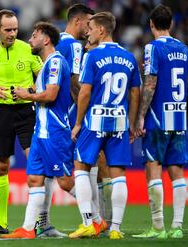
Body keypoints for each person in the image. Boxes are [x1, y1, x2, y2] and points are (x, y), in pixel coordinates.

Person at [70, 12, 140, 239]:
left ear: (101, 30)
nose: (87, 32)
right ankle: (116, 229)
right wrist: (131, 121)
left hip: (95, 120)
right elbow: (135, 91)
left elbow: (85, 93)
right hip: (119, 120)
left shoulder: (92, 56)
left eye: (90, 27)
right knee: (118, 173)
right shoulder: (128, 56)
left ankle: (89, 222)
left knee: (81, 167)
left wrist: (78, 122)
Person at [0, 21, 72, 239]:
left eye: (34, 36)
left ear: (46, 39)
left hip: (54, 131)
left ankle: (96, 220)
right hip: (41, 132)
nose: (30, 40)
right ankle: (28, 228)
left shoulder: (55, 62)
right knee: (34, 179)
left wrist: (27, 95)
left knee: (65, 182)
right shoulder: (46, 64)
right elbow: (43, 91)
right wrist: (29, 90)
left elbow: (50, 96)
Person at [0, 9, 42, 234]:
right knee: (1, 168)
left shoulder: (28, 49)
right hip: (2, 113)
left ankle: (40, 222)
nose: (12, 33)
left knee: (34, 164)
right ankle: (2, 223)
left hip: (27, 112)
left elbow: (44, 80)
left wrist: (30, 89)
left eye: (14, 29)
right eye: (8, 29)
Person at [34, 4, 95, 238]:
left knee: (52, 174)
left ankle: (45, 222)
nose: (90, 30)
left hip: (46, 119)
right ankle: (97, 220)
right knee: (82, 171)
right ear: (78, 21)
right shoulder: (75, 47)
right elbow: (75, 85)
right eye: (88, 24)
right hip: (65, 120)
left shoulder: (55, 46)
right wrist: (83, 114)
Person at [133, 4, 188, 239]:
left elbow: (151, 82)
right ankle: (177, 226)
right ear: (172, 24)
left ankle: (158, 227)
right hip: (178, 116)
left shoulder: (152, 48)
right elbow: (187, 81)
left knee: (153, 168)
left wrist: (140, 116)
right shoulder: (185, 49)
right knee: (177, 170)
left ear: (151, 24)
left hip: (157, 116)